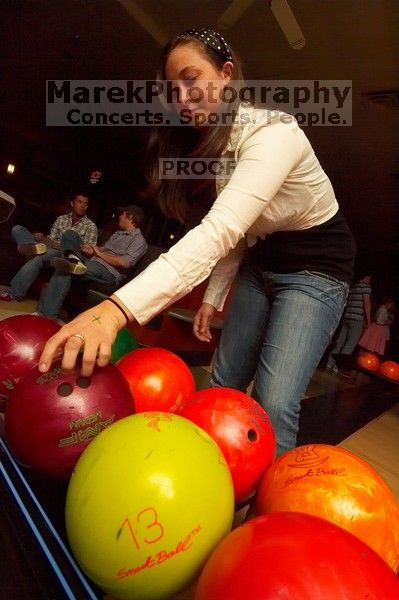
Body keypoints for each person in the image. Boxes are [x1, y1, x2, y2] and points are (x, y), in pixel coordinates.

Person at [38, 28, 356, 456]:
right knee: (223, 382)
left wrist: (115, 310)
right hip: (260, 264)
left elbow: (220, 228)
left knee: (274, 401)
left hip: (317, 270)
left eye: (192, 80)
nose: (183, 99)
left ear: (226, 75)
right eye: (173, 90)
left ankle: (264, 514)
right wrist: (215, 295)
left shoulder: (274, 132)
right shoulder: (222, 152)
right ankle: (201, 476)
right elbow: (241, 231)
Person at [36, 205, 148, 320]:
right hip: (93, 262)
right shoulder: (118, 234)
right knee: (70, 235)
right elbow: (103, 249)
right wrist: (92, 249)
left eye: (122, 214)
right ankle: (72, 259)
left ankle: (46, 316)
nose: (119, 217)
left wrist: (99, 254)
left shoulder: (139, 240)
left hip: (109, 272)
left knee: (65, 267)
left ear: (130, 217)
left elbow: (125, 263)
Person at [0, 192, 97, 303]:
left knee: (38, 258)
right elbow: (52, 237)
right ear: (72, 203)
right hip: (51, 245)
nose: (83, 205)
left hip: (64, 252)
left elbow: (89, 251)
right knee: (17, 229)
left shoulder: (91, 226)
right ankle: (34, 246)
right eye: (79, 202)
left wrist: (65, 245)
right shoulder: (61, 219)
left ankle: (14, 293)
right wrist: (41, 237)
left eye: (86, 203)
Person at [325, 273, 372, 375]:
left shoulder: (354, 286)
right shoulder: (366, 287)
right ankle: (339, 366)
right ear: (366, 277)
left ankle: (329, 363)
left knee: (340, 342)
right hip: (357, 319)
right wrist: (368, 321)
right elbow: (367, 303)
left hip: (347, 317)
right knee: (350, 344)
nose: (370, 280)